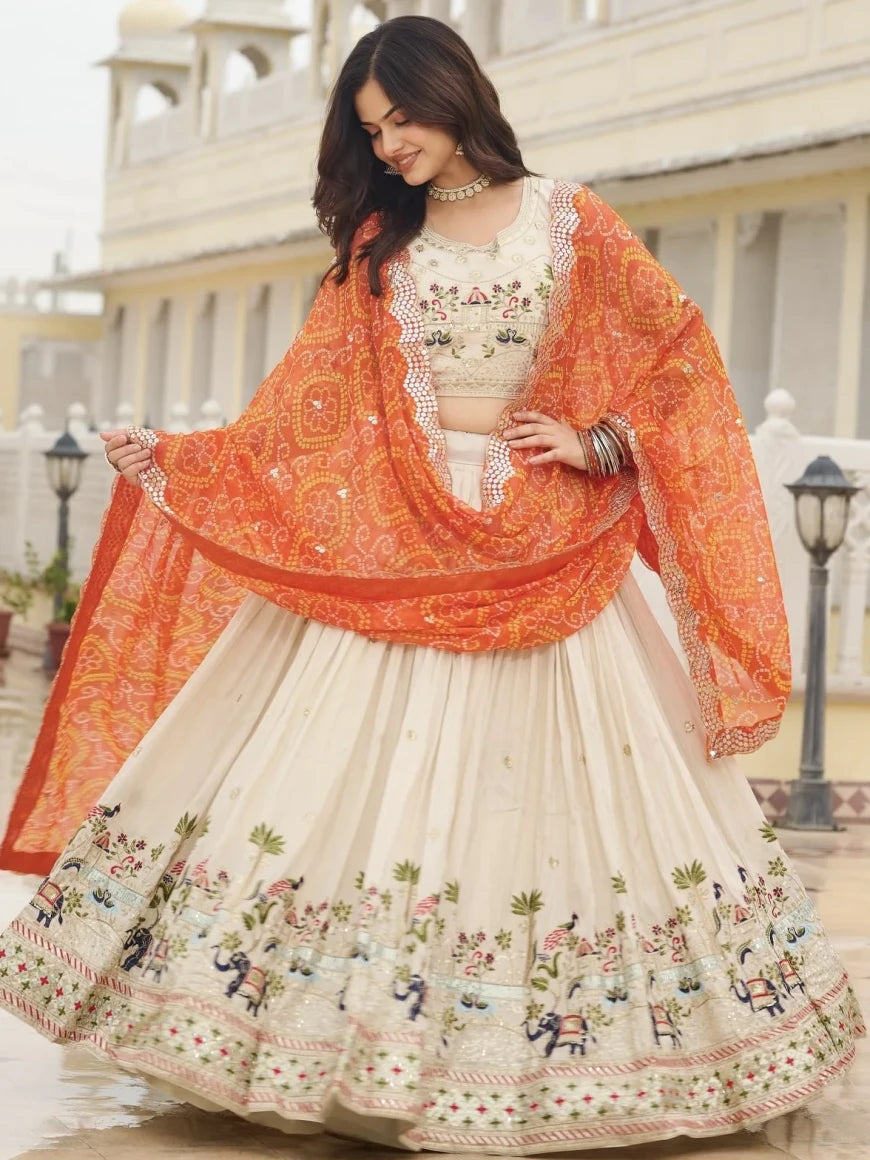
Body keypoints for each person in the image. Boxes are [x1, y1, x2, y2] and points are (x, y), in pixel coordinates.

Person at [0, 15, 862, 1155]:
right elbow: (301, 416)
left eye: (400, 118)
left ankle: (556, 1058)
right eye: (371, 131)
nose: (391, 144)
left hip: (544, 540)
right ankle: (339, 1047)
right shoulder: (378, 243)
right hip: (395, 542)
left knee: (547, 801)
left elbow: (680, 362)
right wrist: (182, 458)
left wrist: (601, 443)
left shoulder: (573, 220)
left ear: (452, 93)